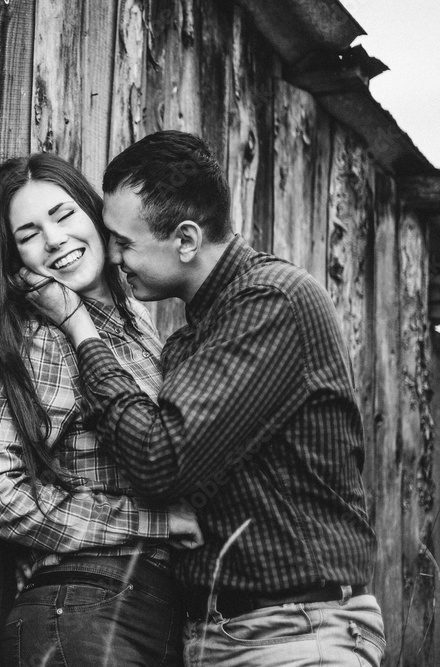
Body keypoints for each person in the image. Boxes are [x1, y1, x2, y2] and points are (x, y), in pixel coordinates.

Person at [19, 131, 385, 666]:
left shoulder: (271, 303)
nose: (114, 256)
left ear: (186, 240)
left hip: (296, 634)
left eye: (124, 242)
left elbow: (159, 457)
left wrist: (80, 329)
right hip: (216, 639)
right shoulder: (190, 339)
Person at [0, 152, 203, 667]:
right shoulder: (45, 338)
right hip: (82, 609)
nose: (53, 240)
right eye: (28, 235)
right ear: (18, 260)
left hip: (154, 617)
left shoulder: (137, 321)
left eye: (63, 215)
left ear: (96, 215)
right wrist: (154, 521)